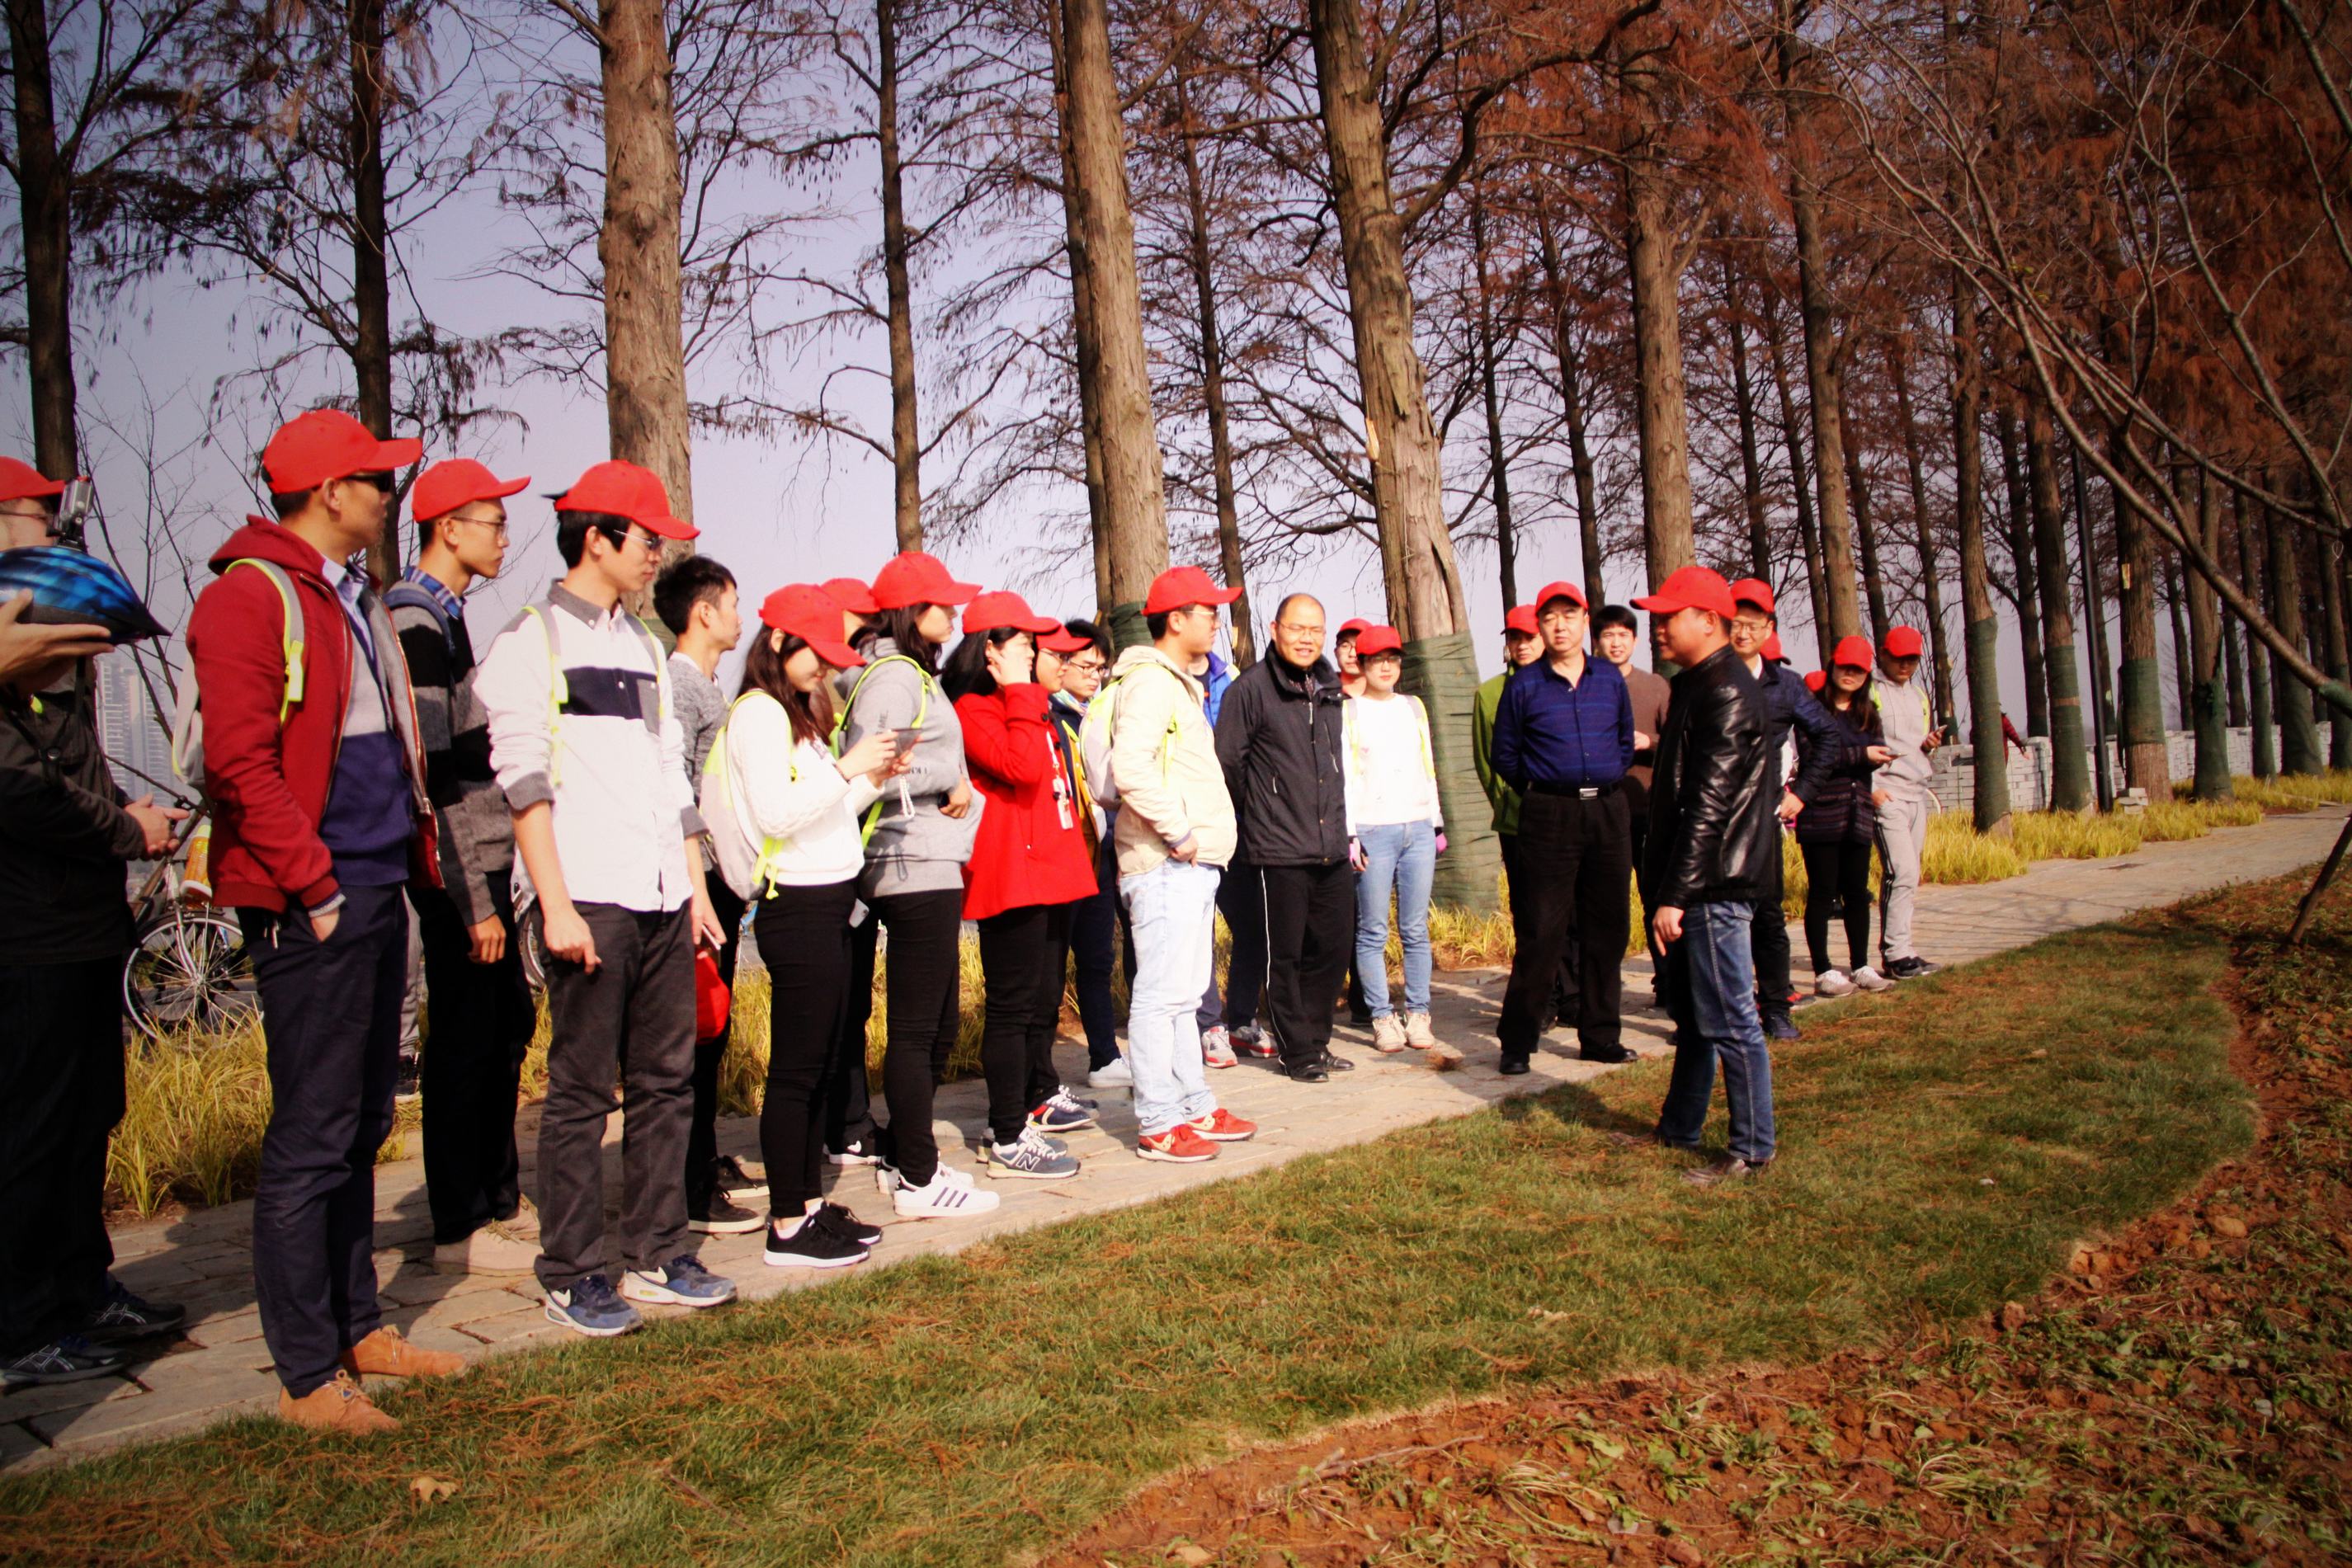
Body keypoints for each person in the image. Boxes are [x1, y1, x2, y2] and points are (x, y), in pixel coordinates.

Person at [186, 410, 461, 1431]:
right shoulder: (249, 596)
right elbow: (238, 762)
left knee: (361, 1121)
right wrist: (315, 884)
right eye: (375, 480)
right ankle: (307, 1373)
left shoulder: (349, 596)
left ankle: (358, 1327)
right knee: (310, 1134)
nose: (389, 497)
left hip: (376, 885)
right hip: (317, 901)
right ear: (328, 491)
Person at [475, 459, 738, 1336]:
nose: (658, 553)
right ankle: (573, 1269)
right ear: (597, 539)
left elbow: (669, 775)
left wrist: (693, 885)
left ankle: (659, 1251)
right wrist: (553, 906)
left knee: (667, 1082)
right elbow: (522, 784)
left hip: (661, 897)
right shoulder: (532, 641)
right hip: (588, 898)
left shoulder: (644, 647)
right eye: (647, 538)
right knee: (582, 1092)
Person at [1, 462, 190, 1391]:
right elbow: (22, 795)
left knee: (86, 1117)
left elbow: (72, 776)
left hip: (80, 930)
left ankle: (81, 1288)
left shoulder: (46, 669)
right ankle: (21, 1324)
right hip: (25, 939)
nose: (53, 533)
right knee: (31, 1130)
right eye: (38, 516)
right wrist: (127, 830)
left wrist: (129, 812)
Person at [709, 584, 900, 1268]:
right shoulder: (759, 713)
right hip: (796, 905)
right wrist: (848, 765)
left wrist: (872, 777)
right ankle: (788, 1222)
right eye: (814, 653)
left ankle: (808, 1205)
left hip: (827, 899)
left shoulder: (792, 714)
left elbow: (826, 811)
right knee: (796, 1072)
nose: (823, 667)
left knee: (818, 1066)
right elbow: (776, 814)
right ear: (777, 642)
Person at [385, 459, 540, 1278]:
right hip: (459, 875)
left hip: (481, 865)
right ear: (447, 528)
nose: (504, 538)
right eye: (493, 522)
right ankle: (459, 1221)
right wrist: (472, 897)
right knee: (464, 1041)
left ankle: (493, 1198)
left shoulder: (445, 616)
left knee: (502, 1025)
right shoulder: (415, 620)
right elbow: (433, 775)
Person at [833, 550, 999, 1217]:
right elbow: (870, 768)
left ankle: (908, 1158)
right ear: (911, 610)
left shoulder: (911, 673)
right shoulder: (894, 676)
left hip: (927, 860)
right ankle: (917, 1180)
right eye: (942, 602)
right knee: (915, 1030)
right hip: (908, 863)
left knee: (934, 1027)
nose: (954, 612)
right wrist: (948, 777)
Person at [945, 590, 1098, 1180]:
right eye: (1025, 644)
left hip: (1047, 869)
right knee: (1010, 1006)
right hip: (1011, 874)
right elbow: (1022, 768)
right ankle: (1006, 1133)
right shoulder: (973, 708)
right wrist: (1017, 690)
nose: (1035, 653)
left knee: (1040, 997)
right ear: (991, 651)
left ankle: (1029, 1103)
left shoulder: (1021, 703)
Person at [1635, 567, 1778, 1186]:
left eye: (1670, 617)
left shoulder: (1724, 690)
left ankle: (1752, 1148)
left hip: (1715, 883)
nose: (1658, 628)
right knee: (1697, 1017)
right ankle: (1679, 1127)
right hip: (1701, 879)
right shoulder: (1697, 683)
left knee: (1729, 1019)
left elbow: (1708, 806)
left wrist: (1676, 893)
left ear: (1710, 621)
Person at [1110, 566, 1256, 1157]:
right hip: (1165, 861)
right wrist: (1180, 832)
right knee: (1159, 995)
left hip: (1189, 864)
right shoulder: (1150, 682)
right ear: (1175, 619)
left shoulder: (1176, 682)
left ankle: (1192, 1105)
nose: (1216, 620)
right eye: (1208, 610)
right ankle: (1157, 1121)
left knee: (1186, 993)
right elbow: (1131, 767)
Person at [652, 553, 762, 1236]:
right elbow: (685, 794)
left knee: (713, 1030)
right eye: (732, 603)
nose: (739, 616)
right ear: (702, 612)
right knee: (697, 1031)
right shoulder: (678, 686)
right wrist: (707, 875)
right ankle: (690, 1185)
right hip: (699, 884)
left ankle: (706, 1159)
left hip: (720, 882)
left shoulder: (707, 686)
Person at [1490, 581, 1635, 1073]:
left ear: (1584, 621)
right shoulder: (1524, 685)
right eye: (1549, 617)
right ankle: (1517, 1042)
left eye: (1569, 615)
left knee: (1607, 928)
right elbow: (1505, 755)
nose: (1559, 626)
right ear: (1540, 625)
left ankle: (1600, 1036)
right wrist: (1546, 786)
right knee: (1541, 929)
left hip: (1608, 812)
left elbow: (1623, 741)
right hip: (1549, 814)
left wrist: (1602, 777)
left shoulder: (1608, 679)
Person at [1216, 591, 1355, 1085]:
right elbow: (1229, 762)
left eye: (1315, 630)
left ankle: (1316, 1040)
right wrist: (1261, 811)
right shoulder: (1250, 690)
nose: (1306, 639)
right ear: (1275, 630)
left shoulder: (1330, 687)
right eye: (1297, 628)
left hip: (1331, 844)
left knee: (1333, 948)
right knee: (1286, 954)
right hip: (1276, 848)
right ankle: (1297, 1051)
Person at [1725, 580, 1846, 1039]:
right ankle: (1720, 1011)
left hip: (1762, 819)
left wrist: (1801, 793)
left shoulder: (1785, 685)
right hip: (1714, 819)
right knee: (1716, 919)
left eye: (1752, 625)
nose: (1742, 633)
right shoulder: (1707, 677)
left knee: (1767, 915)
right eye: (1735, 623)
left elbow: (1828, 736)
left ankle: (1776, 1007)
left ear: (1768, 629)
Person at [1343, 625, 1449, 1054]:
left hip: (1418, 827)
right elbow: (1346, 777)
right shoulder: (1349, 711)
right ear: (1362, 665)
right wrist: (1350, 834)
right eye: (1376, 660)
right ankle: (1382, 1017)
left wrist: (1435, 822)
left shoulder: (1413, 707)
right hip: (1373, 830)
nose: (1386, 667)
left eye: (1392, 659)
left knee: (1415, 928)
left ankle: (1419, 1013)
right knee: (1372, 930)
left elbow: (1428, 764)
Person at [1041, 619, 1129, 1090]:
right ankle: (1040, 1074)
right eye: (1086, 666)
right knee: (1050, 969)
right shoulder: (1048, 715)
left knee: (1097, 959)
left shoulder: (1100, 713)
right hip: (1063, 856)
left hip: (1100, 855)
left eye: (1100, 667)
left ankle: (1104, 1056)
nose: (1095, 676)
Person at [1476, 605, 1575, 1024]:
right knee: (1531, 912)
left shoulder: (1566, 684)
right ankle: (1542, 999)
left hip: (1565, 819)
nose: (1521, 645)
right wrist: (1510, 799)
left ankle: (1572, 995)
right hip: (1517, 821)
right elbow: (1486, 760)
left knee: (1568, 909)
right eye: (1514, 638)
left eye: (1528, 636)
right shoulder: (1490, 694)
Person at [1798, 637, 1899, 997]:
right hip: (1821, 814)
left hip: (1857, 813)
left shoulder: (1867, 713)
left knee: (1857, 893)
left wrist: (1878, 756)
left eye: (1858, 670)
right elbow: (1814, 758)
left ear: (1866, 675)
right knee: (1822, 893)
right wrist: (1861, 755)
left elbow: (1875, 749)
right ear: (1833, 666)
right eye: (1845, 667)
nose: (1850, 674)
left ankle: (1860, 965)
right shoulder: (1812, 708)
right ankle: (1823, 970)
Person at [1593, 604, 1671, 1009]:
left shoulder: (1655, 686)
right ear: (1597, 642)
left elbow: (1678, 740)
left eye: (1623, 635)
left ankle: (1668, 980)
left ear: (1635, 641)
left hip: (1648, 808)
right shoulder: (1587, 684)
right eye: (1608, 635)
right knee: (1605, 903)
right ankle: (1601, 990)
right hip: (1601, 810)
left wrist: (1649, 742)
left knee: (1655, 896)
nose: (1616, 642)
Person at [1874, 626, 1944, 980]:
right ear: (1884, 655)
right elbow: (1856, 739)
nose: (1905, 665)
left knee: (1910, 875)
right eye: (1899, 658)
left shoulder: (1918, 695)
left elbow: (1913, 744)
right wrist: (1872, 788)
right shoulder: (1870, 691)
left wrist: (1927, 746)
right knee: (1901, 872)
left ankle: (1904, 948)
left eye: (1912, 659)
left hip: (1917, 791)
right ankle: (1895, 954)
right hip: (1887, 793)